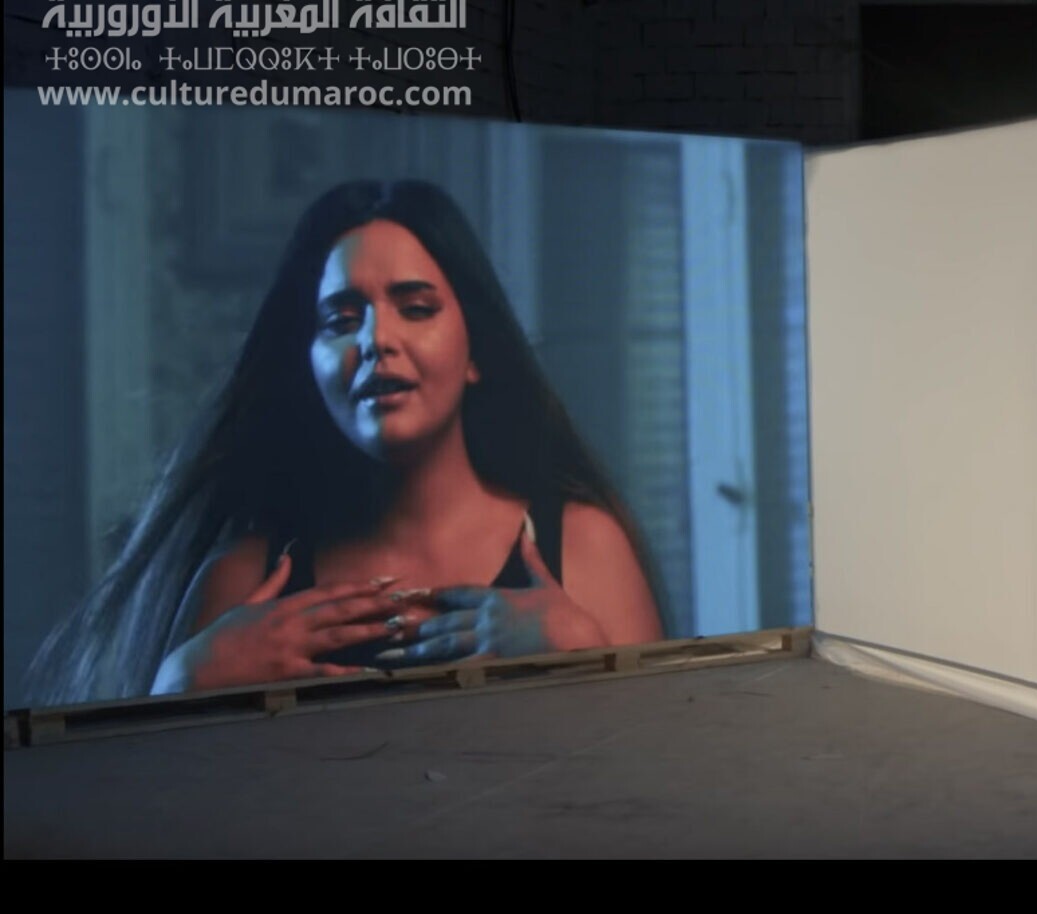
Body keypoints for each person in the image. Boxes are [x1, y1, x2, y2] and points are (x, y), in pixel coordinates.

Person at [26, 179, 668, 707]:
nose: (376, 340)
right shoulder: (244, 579)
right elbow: (164, 807)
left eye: (416, 308)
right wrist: (180, 685)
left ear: (477, 353)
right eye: (341, 319)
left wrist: (586, 651)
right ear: (309, 365)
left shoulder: (583, 547)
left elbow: (658, 785)